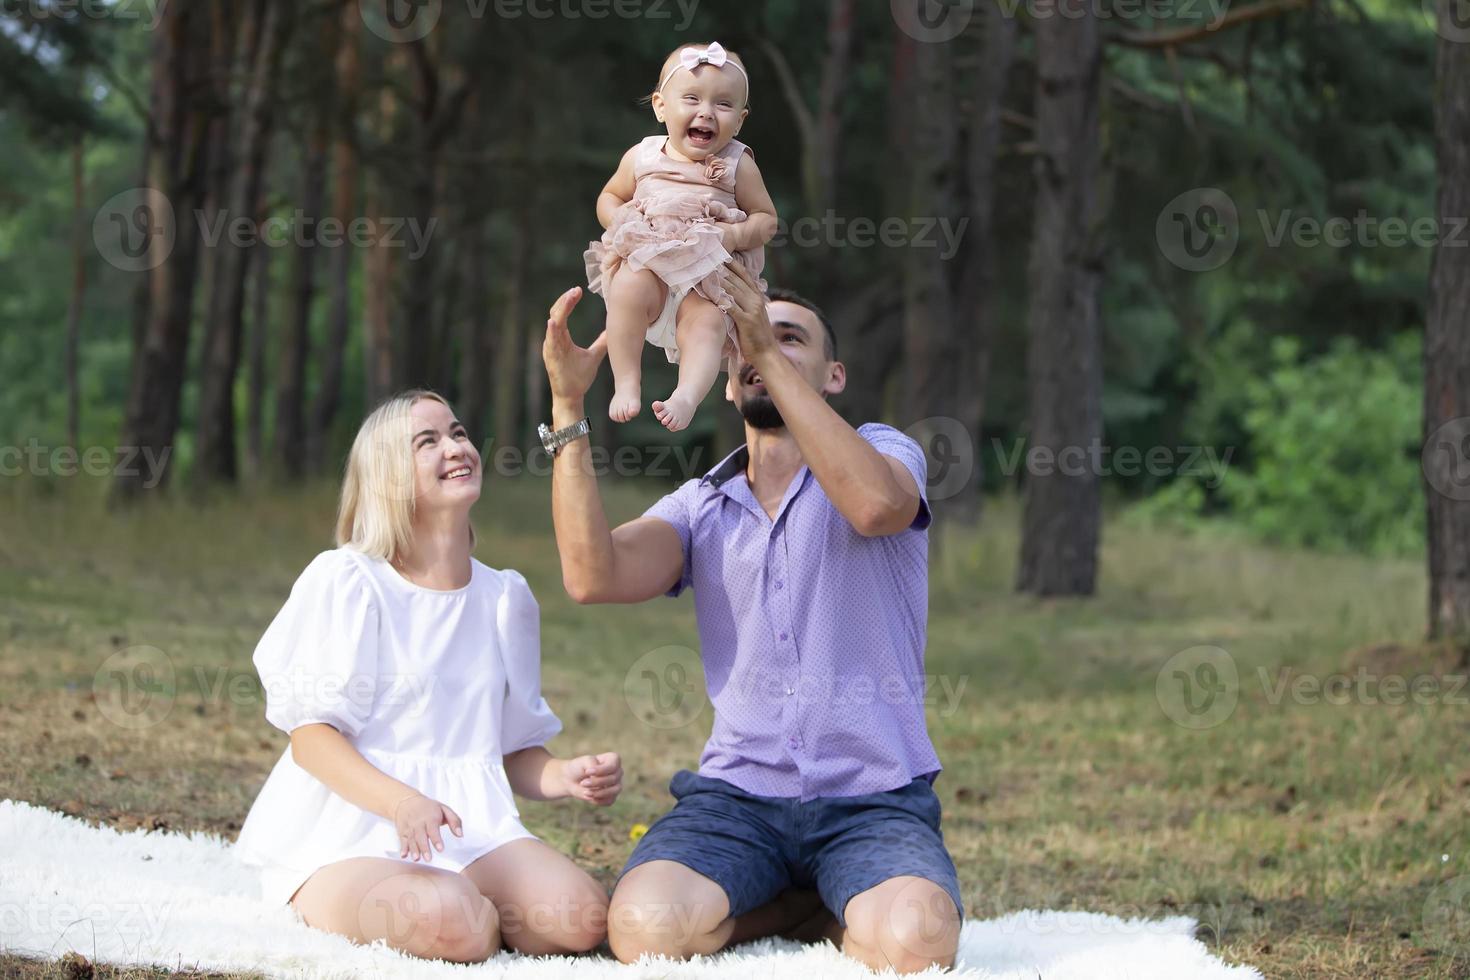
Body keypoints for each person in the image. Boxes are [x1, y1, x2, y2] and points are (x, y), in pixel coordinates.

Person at [538, 265, 964, 974]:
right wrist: (566, 406)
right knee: (644, 929)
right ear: (729, 383)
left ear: (833, 376)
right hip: (737, 802)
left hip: (874, 801)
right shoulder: (701, 505)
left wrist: (760, 343)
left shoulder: (887, 452)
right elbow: (592, 575)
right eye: (744, 343)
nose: (763, 347)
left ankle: (834, 902)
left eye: (790, 339)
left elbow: (875, 509)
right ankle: (808, 911)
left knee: (917, 944)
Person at [235, 390, 621, 962]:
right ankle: (401, 906)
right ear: (388, 476)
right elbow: (312, 741)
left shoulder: (504, 597)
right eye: (428, 441)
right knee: (455, 922)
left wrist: (565, 775)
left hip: (470, 826)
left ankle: (464, 905)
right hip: (352, 825)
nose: (456, 447)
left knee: (582, 919)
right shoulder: (350, 581)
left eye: (459, 432)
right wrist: (401, 804)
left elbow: (512, 751)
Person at [584, 40, 778, 433]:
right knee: (626, 288)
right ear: (660, 106)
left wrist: (733, 234)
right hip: (651, 269)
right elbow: (609, 196)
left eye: (723, 105)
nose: (706, 112)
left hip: (706, 283)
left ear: (739, 121)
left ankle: (687, 394)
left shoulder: (738, 163)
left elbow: (767, 220)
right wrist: (618, 216)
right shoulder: (642, 156)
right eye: (692, 98)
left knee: (705, 325)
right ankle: (626, 382)